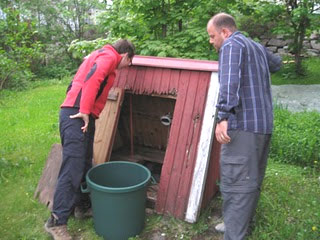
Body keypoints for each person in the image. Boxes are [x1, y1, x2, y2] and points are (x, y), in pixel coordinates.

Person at [45, 39, 135, 240]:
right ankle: (56, 221)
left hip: (78, 114)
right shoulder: (110, 56)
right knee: (72, 167)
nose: (128, 66)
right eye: (130, 61)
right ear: (125, 55)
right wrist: (84, 110)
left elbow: (76, 82)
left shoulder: (99, 55)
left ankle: (81, 207)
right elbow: (92, 80)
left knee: (85, 163)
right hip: (77, 115)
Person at [207, 13, 282, 240]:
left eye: (212, 36)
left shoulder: (230, 45)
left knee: (236, 183)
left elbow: (229, 83)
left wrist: (223, 117)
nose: (211, 41)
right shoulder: (255, 46)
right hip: (263, 126)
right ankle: (235, 224)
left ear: (225, 32)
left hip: (243, 127)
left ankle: (234, 235)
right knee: (251, 181)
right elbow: (276, 64)